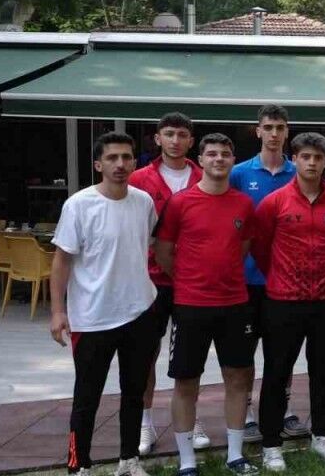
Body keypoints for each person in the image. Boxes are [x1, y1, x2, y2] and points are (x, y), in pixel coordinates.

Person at [49, 132, 158, 476]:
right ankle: (78, 465)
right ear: (98, 164)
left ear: (135, 162)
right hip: (92, 317)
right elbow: (61, 261)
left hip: (139, 312)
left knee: (134, 392)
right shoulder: (79, 205)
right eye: (112, 158)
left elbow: (146, 244)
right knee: (87, 396)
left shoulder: (144, 202)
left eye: (126, 157)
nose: (120, 164)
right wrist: (57, 311)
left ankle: (129, 460)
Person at [154, 134, 260, 476]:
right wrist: (189, 279)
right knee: (186, 382)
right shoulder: (180, 202)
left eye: (225, 154)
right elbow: (163, 252)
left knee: (238, 379)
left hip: (235, 304)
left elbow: (242, 248)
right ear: (200, 160)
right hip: (190, 306)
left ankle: (235, 455)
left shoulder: (243, 204)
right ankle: (187, 461)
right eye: (211, 153)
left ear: (232, 160)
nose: (218, 159)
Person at [250, 132, 325, 471]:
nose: (311, 163)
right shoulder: (274, 202)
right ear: (294, 159)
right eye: (305, 156)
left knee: (323, 371)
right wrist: (281, 276)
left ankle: (322, 435)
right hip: (282, 301)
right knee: (277, 373)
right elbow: (261, 248)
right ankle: (271, 443)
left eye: (318, 158)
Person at [128, 113, 203, 456]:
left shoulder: (205, 176)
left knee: (191, 354)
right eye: (169, 134)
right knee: (146, 353)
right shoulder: (139, 179)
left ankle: (191, 418)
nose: (175, 140)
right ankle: (145, 422)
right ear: (158, 139)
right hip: (151, 277)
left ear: (191, 141)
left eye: (182, 134)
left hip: (193, 279)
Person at [228, 105, 304, 441]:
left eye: (280, 127)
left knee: (282, 352)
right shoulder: (239, 174)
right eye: (268, 127)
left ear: (287, 132)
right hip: (246, 281)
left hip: (285, 281)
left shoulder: (299, 172)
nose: (274, 133)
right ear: (258, 131)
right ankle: (245, 412)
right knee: (245, 354)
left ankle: (281, 408)